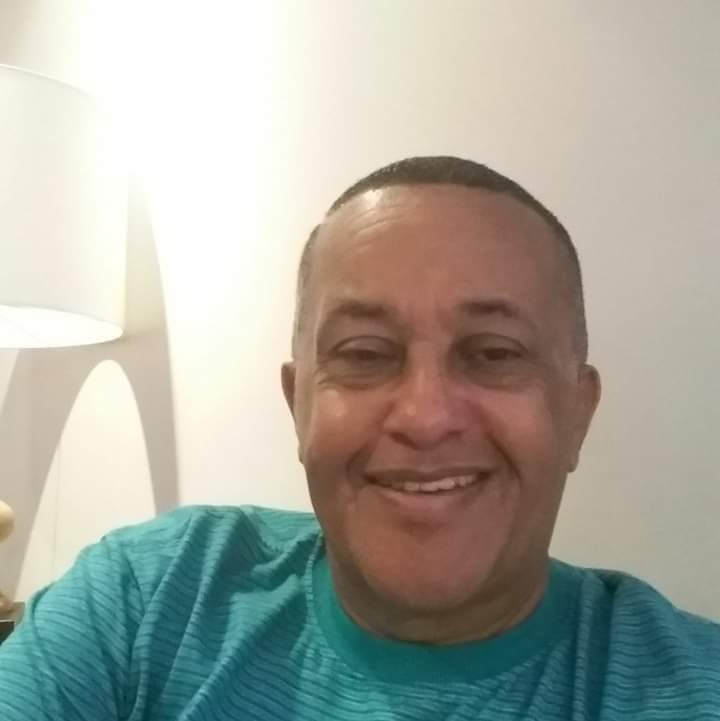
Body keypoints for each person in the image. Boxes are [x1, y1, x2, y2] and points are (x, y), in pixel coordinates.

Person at [1, 156, 718, 719]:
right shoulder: (147, 599)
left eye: (494, 353)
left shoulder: (689, 686)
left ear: (577, 414)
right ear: (298, 404)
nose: (425, 416)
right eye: (366, 354)